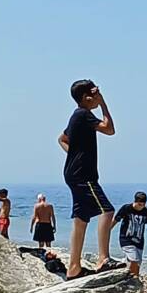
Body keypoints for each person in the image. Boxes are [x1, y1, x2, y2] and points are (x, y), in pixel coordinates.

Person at [59, 79, 122, 279]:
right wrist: (103, 103)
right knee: (107, 210)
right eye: (95, 94)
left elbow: (62, 139)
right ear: (88, 97)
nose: (97, 97)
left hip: (74, 173)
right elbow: (109, 129)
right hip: (83, 175)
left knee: (81, 220)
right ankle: (103, 259)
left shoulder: (77, 116)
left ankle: (74, 267)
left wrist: (73, 155)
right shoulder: (84, 115)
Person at [114, 191, 147, 277]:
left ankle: (133, 276)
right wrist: (108, 230)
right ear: (135, 201)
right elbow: (116, 219)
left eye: (142, 205)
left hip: (139, 240)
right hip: (126, 239)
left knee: (138, 263)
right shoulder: (126, 208)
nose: (140, 207)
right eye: (139, 204)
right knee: (134, 259)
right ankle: (132, 280)